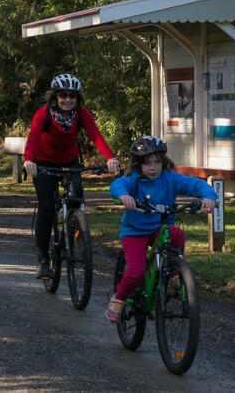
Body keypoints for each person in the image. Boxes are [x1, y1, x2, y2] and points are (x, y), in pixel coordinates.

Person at [105, 136, 216, 323]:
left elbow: (195, 184)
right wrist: (123, 195)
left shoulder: (170, 178)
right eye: (148, 163)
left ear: (163, 162)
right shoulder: (134, 179)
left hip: (160, 226)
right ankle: (119, 298)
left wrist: (208, 196)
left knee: (177, 235)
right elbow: (118, 185)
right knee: (137, 272)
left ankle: (173, 273)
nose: (153, 167)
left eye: (157, 162)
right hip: (135, 231)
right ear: (139, 165)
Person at [23, 73, 120, 279]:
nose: (68, 100)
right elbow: (32, 138)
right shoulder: (44, 114)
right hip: (42, 164)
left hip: (69, 162)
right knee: (47, 208)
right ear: (55, 96)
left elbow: (96, 136)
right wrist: (28, 160)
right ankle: (42, 259)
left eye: (73, 96)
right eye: (63, 96)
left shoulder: (81, 114)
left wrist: (111, 157)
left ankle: (74, 230)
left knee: (76, 199)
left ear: (78, 99)